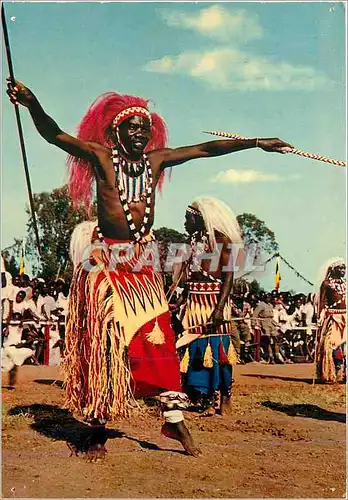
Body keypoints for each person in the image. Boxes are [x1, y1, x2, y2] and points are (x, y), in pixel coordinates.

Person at [6, 78, 292, 459]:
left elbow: (206, 148)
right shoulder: (102, 157)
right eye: (132, 128)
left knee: (157, 341)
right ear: (116, 132)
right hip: (107, 266)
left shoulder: (157, 161)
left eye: (145, 128)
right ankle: (96, 428)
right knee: (106, 348)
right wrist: (32, 102)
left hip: (142, 266)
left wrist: (256, 143)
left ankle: (173, 418)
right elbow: (54, 134)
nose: (140, 133)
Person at [177, 198, 242, 416]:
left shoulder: (222, 241)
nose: (185, 223)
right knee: (194, 350)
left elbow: (228, 277)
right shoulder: (192, 243)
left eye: (188, 219)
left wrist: (218, 309)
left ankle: (224, 396)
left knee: (218, 352)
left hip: (214, 303)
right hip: (194, 304)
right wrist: (181, 300)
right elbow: (190, 275)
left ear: (199, 219)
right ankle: (201, 395)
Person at [315, 259, 346, 383]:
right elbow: (321, 301)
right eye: (340, 268)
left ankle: (344, 375)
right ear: (333, 269)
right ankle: (330, 372)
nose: (343, 271)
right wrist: (319, 316)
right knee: (330, 345)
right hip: (333, 317)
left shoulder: (345, 283)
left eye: (344, 268)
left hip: (346, 317)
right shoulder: (326, 284)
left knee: (345, 347)